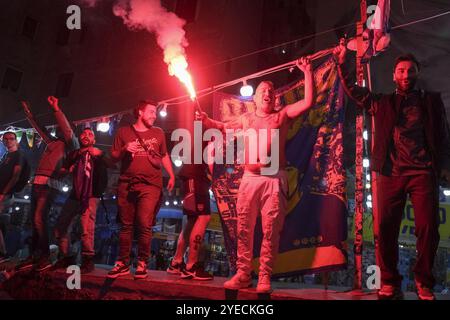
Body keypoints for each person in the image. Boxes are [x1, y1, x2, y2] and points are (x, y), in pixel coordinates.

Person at [333, 41, 450, 300]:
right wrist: (342, 62)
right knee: (385, 228)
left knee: (428, 228)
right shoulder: (383, 103)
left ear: (417, 73)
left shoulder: (430, 101)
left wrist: (443, 168)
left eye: (410, 70)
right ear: (393, 75)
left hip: (423, 173)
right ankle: (389, 281)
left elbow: (443, 135)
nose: (405, 75)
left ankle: (424, 282)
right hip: (390, 173)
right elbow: (354, 91)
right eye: (400, 71)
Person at [199, 57, 314, 293]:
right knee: (243, 227)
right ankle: (243, 274)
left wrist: (307, 73)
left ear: (275, 97)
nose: (267, 93)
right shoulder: (246, 119)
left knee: (271, 230)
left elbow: (308, 102)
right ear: (255, 98)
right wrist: (207, 121)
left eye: (271, 91)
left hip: (274, 179)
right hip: (250, 179)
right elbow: (222, 126)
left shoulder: (281, 116)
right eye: (263, 90)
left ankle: (264, 277)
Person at [108, 100, 175, 279]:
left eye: (155, 112)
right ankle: (122, 262)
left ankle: (142, 262)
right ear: (140, 112)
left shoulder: (159, 133)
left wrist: (172, 175)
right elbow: (113, 157)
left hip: (151, 184)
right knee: (126, 225)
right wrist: (123, 149)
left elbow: (164, 155)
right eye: (151, 112)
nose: (154, 115)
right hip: (126, 183)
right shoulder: (123, 132)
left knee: (144, 223)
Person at [18, 98, 79, 272]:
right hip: (37, 183)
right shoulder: (52, 142)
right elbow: (39, 128)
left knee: (39, 218)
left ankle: (44, 255)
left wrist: (56, 109)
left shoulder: (71, 145)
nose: (61, 128)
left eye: (64, 127)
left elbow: (67, 129)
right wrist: (28, 114)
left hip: (50, 185)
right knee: (34, 220)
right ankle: (34, 254)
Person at [53, 128, 113, 274]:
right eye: (84, 134)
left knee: (86, 228)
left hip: (92, 195)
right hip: (75, 194)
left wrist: (101, 154)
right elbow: (61, 171)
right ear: (80, 138)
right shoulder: (75, 154)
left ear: (94, 140)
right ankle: (65, 256)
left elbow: (112, 163)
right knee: (62, 224)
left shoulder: (98, 154)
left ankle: (87, 260)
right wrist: (68, 170)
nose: (86, 136)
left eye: (90, 134)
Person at [166, 163, 213, 280]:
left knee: (193, 220)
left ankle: (176, 262)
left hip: (191, 178)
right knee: (203, 217)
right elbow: (211, 161)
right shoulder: (209, 144)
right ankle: (191, 267)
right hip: (196, 179)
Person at [0, 132, 29, 263]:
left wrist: (4, 192)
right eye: (5, 139)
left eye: (11, 139)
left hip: (5, 193)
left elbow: (16, 175)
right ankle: (3, 253)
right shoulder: (6, 155)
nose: (8, 141)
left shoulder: (19, 155)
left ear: (15, 140)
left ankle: (3, 253)